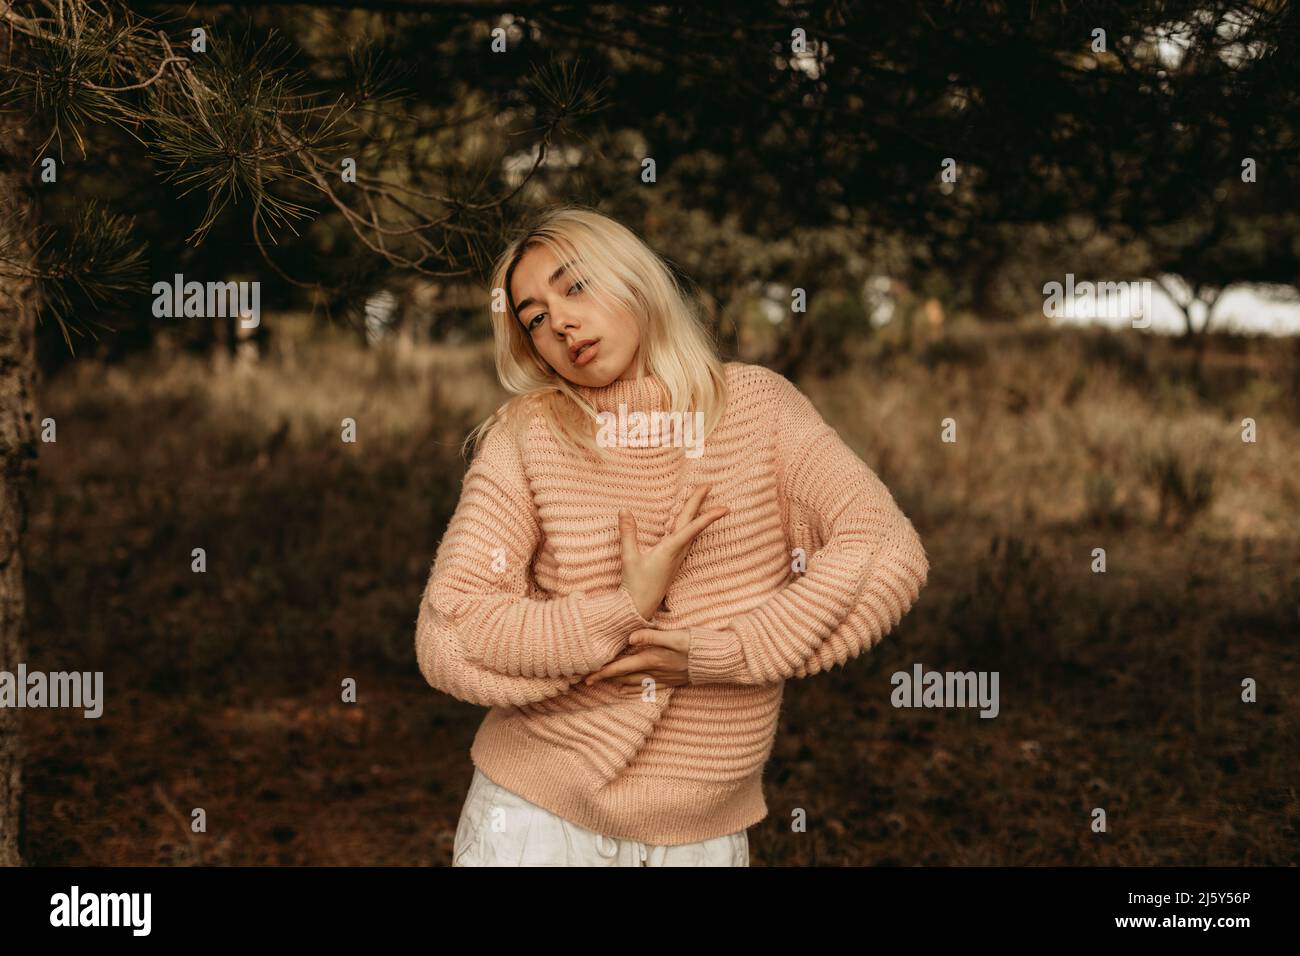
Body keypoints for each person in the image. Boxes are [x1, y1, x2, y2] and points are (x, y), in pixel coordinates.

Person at [415, 204, 930, 866]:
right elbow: (450, 631)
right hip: (534, 816)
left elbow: (885, 551)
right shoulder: (527, 434)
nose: (560, 323)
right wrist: (618, 613)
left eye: (575, 286)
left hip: (701, 834)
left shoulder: (759, 410)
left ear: (634, 279)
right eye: (535, 319)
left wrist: (723, 654)